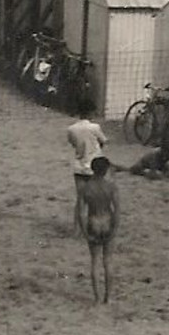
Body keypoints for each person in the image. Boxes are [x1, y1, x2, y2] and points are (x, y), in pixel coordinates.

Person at [67, 99, 106, 237]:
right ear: (91, 112)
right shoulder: (95, 128)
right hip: (94, 167)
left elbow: (72, 143)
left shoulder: (71, 129)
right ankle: (93, 228)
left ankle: (76, 230)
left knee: (81, 200)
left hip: (79, 167)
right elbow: (104, 141)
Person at [83, 156, 119, 304]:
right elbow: (117, 210)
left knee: (95, 262)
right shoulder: (111, 187)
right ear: (106, 170)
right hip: (107, 221)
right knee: (108, 261)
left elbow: (80, 212)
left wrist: (84, 232)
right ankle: (108, 297)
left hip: (94, 222)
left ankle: (97, 298)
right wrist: (115, 228)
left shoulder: (86, 188)